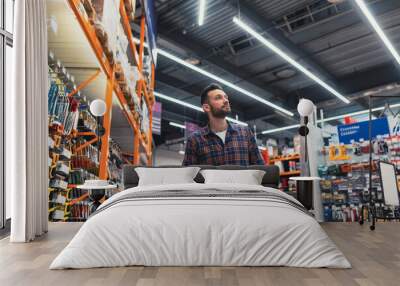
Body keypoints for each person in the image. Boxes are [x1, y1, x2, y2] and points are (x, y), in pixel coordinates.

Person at [182, 83, 265, 166]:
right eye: (218, 98)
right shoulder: (195, 140)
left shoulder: (245, 133)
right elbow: (188, 175)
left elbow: (260, 169)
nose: (226, 100)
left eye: (226, 97)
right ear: (206, 107)